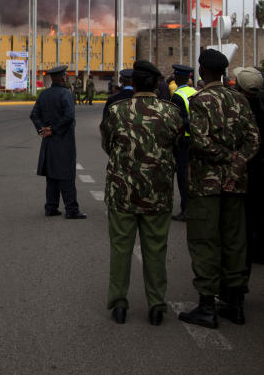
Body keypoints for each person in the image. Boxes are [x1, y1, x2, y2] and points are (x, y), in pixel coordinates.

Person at [178, 49, 260, 329]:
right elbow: (253, 139)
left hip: (206, 185)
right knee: (235, 242)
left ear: (203, 72)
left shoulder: (201, 100)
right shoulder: (240, 99)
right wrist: (238, 162)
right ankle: (235, 304)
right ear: (223, 72)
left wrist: (225, 158)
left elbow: (199, 141)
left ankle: (206, 307)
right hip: (235, 184)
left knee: (205, 242)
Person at [100, 60, 184, 326]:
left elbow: (108, 145)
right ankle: (157, 306)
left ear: (133, 83)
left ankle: (119, 305)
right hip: (157, 193)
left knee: (120, 248)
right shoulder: (171, 113)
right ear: (157, 84)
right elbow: (177, 145)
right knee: (156, 250)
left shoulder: (116, 111)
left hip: (122, 193)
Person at [231, 67, 264, 269]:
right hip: (257, 170)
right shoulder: (262, 108)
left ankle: (248, 258)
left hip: (247, 171)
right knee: (256, 216)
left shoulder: (247, 110)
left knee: (246, 220)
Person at [29, 64, 86, 219]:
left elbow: (34, 115)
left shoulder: (44, 94)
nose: (66, 77)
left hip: (48, 142)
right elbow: (69, 117)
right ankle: (72, 209)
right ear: (62, 78)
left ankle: (51, 207)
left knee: (52, 175)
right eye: (65, 75)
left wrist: (43, 129)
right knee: (66, 174)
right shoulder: (66, 94)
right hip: (63, 141)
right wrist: (53, 129)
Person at [169, 64, 196, 221]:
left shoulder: (178, 95)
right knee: (192, 176)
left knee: (183, 176)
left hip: (183, 140)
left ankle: (185, 209)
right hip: (195, 139)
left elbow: (178, 119)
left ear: (178, 77)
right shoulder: (194, 92)